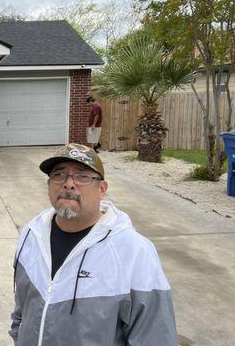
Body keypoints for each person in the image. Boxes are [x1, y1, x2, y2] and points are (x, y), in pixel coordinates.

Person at [9, 143, 177, 345]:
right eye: (59, 175)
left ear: (102, 189)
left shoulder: (135, 252)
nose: (68, 184)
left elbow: (155, 337)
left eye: (82, 176)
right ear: (49, 185)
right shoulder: (31, 235)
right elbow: (22, 310)